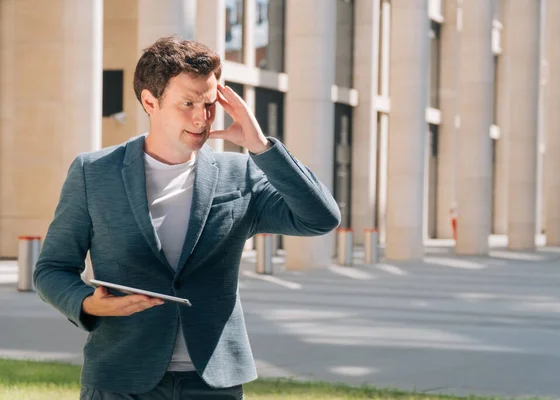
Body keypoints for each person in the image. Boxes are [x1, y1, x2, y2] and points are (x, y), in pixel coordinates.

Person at [33, 36, 341, 400]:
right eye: (188, 103)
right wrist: (86, 303)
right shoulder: (94, 172)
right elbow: (51, 268)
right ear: (150, 101)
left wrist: (262, 147)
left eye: (210, 103)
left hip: (212, 381)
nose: (202, 117)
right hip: (121, 377)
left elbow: (320, 218)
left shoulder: (240, 173)